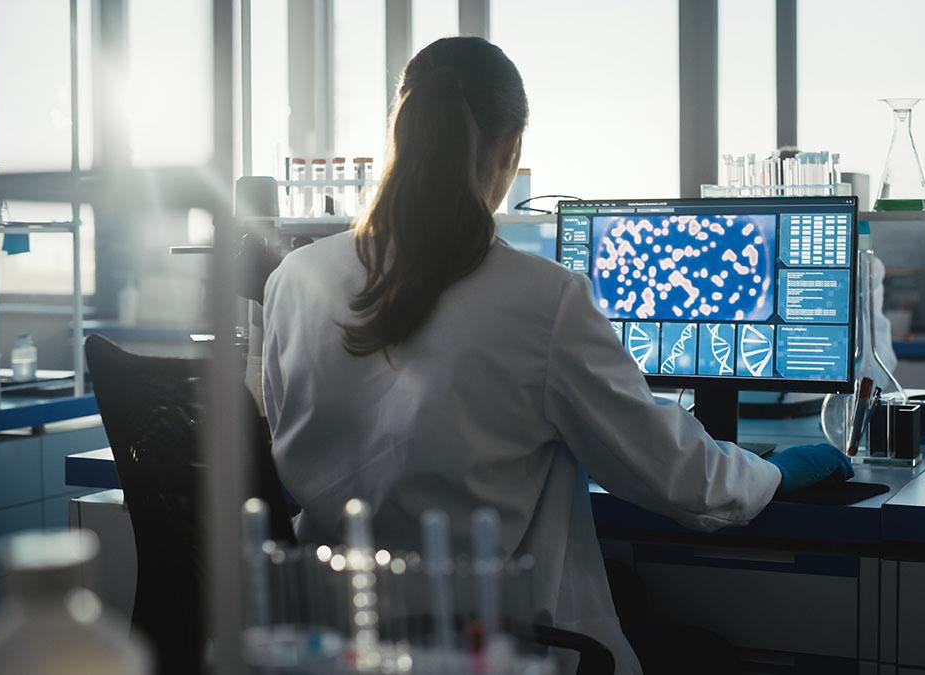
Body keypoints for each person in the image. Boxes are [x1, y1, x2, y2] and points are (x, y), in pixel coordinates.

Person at [262, 36, 853, 674]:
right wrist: (777, 475)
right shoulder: (539, 298)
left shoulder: (294, 279)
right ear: (510, 150)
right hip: (498, 652)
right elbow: (687, 484)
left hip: (333, 646)